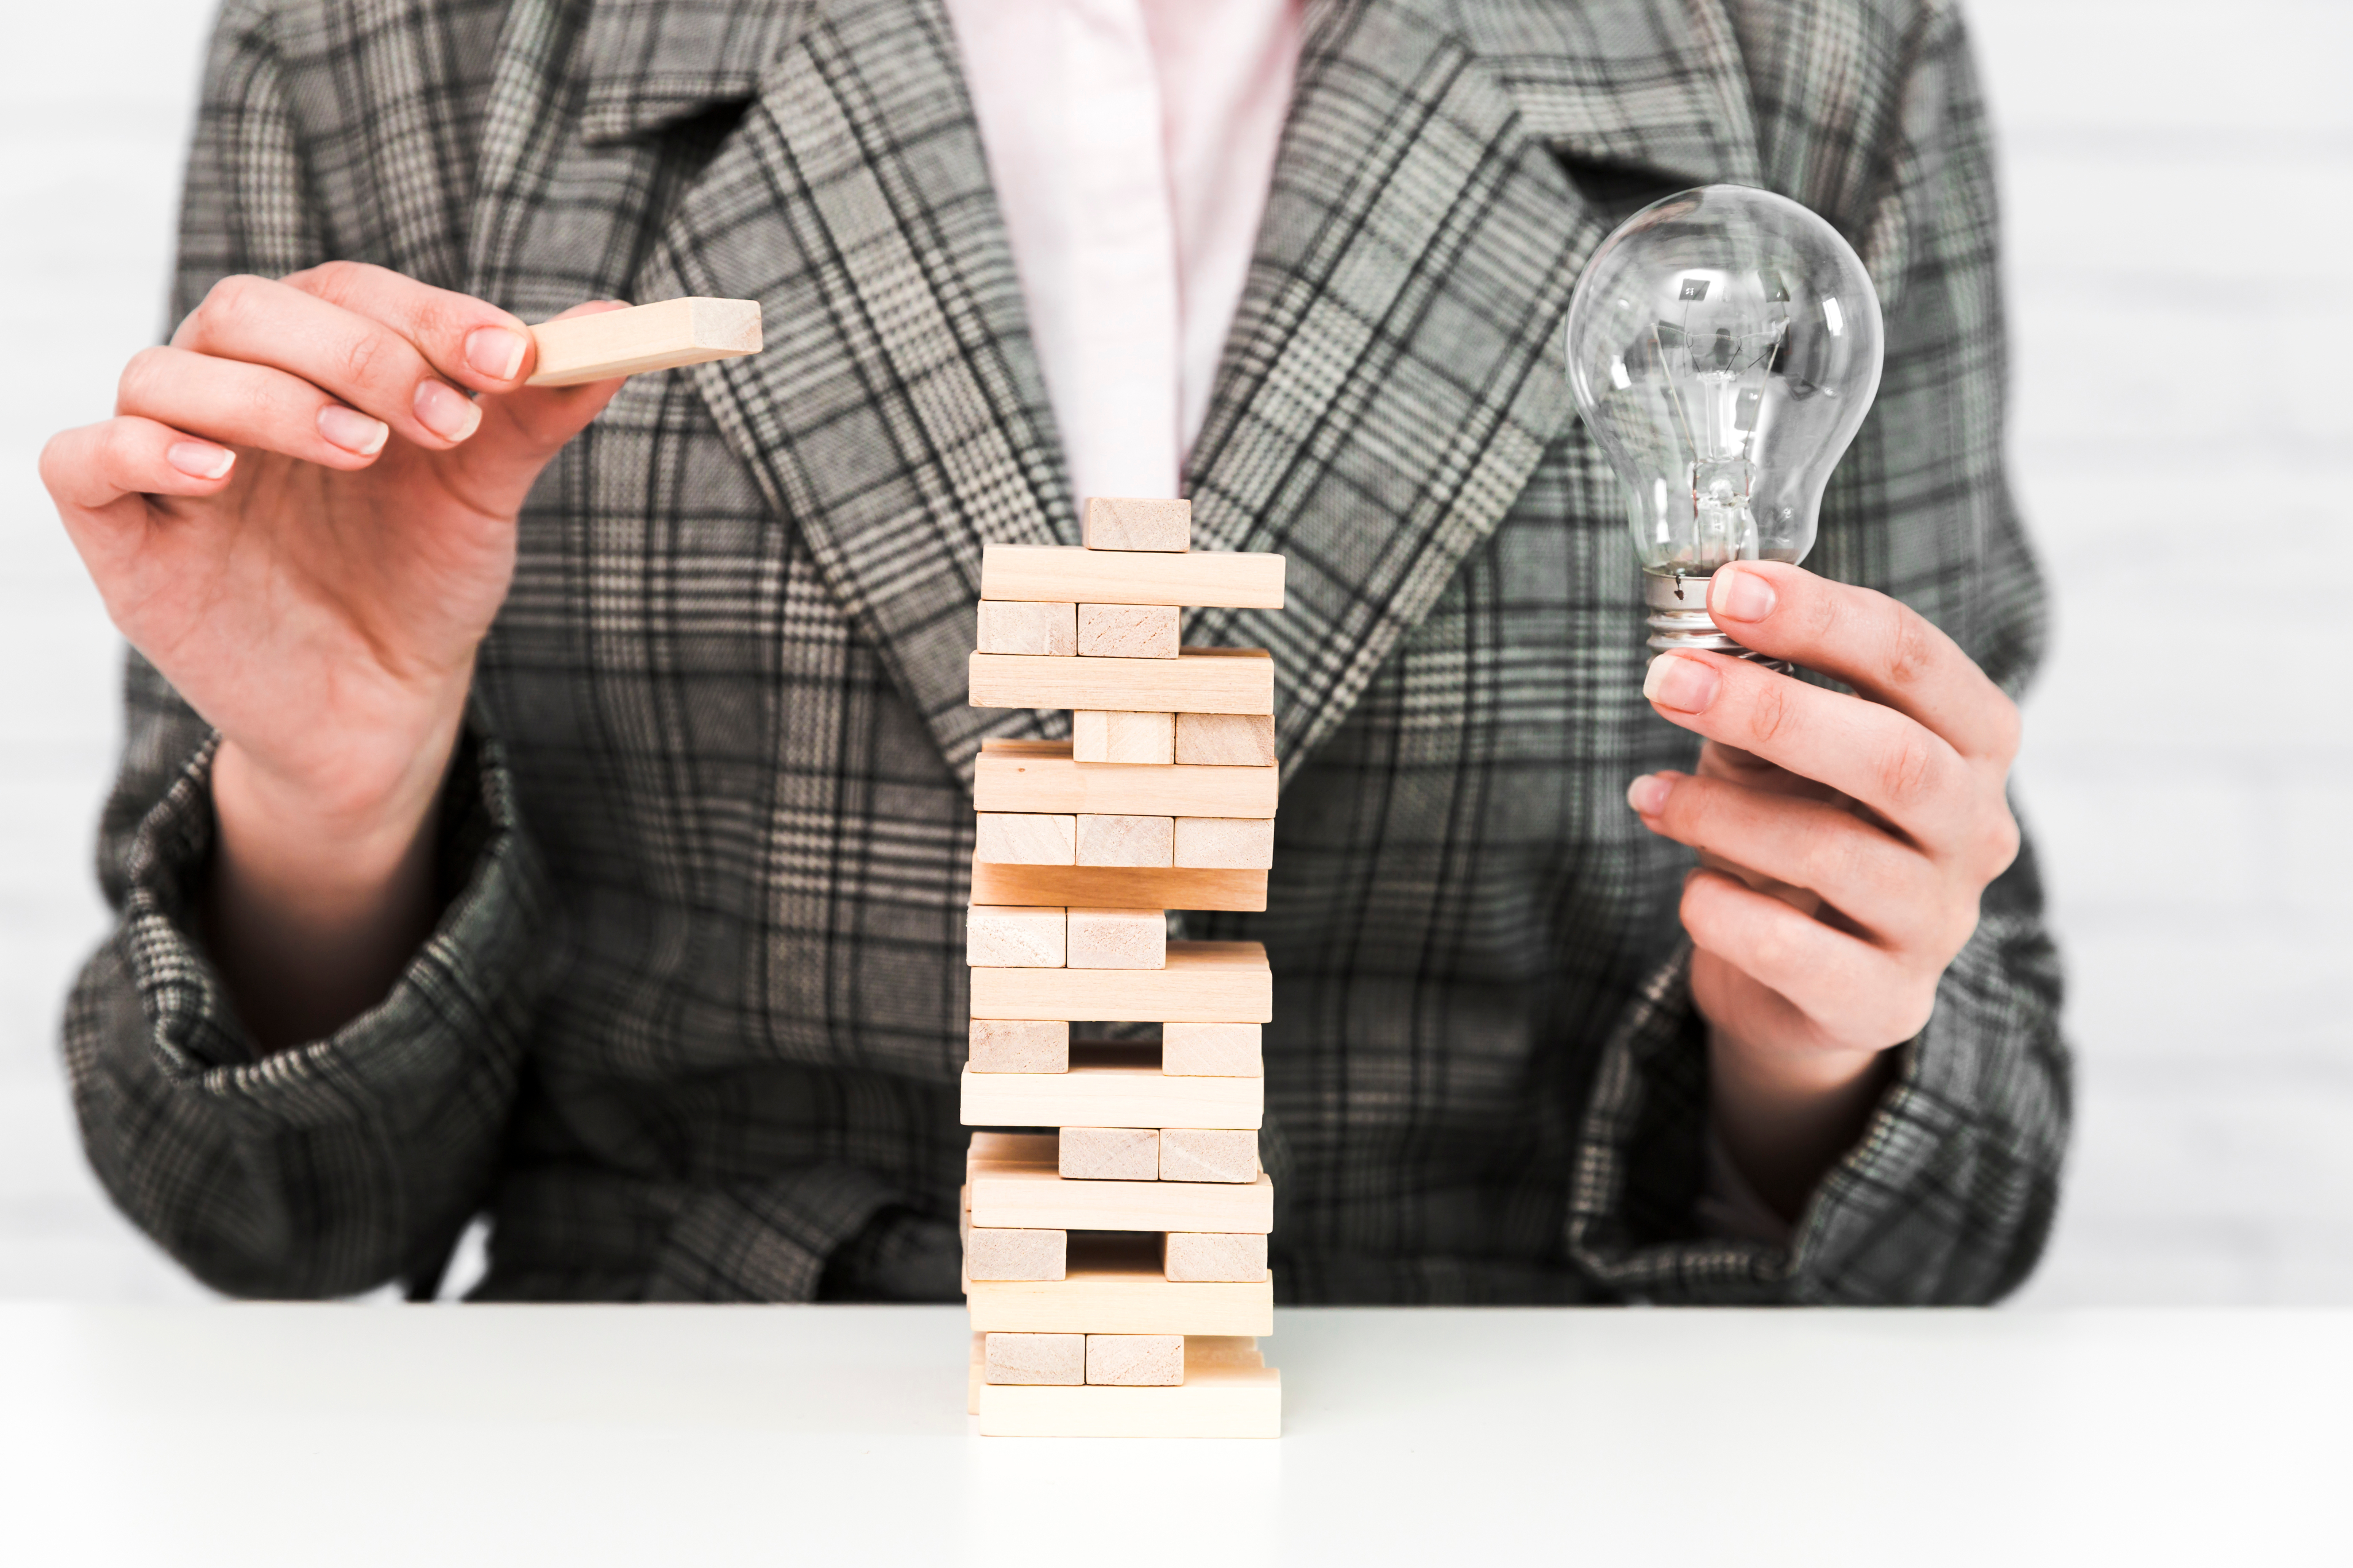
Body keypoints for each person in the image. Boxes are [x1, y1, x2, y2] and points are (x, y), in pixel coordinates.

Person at [39, 0, 2065, 1304]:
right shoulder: (397, 40)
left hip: (1506, 1446)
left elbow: (1965, 1179)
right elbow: (262, 1209)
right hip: (687, 1464)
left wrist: (1811, 1020)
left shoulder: (1799, 38)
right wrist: (338, 796)